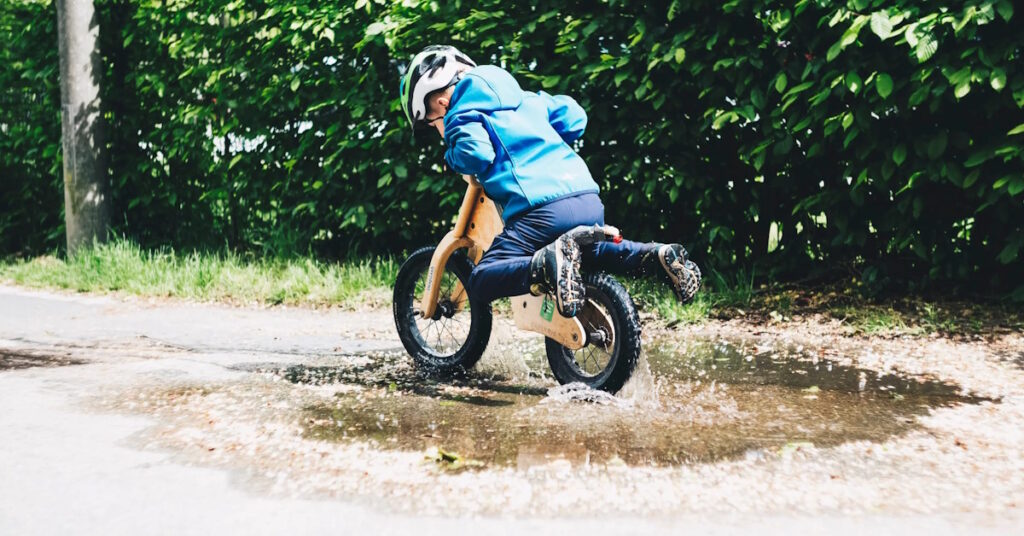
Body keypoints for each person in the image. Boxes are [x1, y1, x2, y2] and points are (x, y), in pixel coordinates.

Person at [399, 45, 701, 317]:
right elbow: (575, 118)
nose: (437, 129)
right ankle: (656, 255)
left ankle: (545, 264)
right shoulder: (526, 100)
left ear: (441, 102)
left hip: (539, 210)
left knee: (481, 278)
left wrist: (452, 156)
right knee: (591, 255)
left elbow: (476, 154)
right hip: (586, 198)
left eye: (431, 122)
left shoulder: (461, 114)